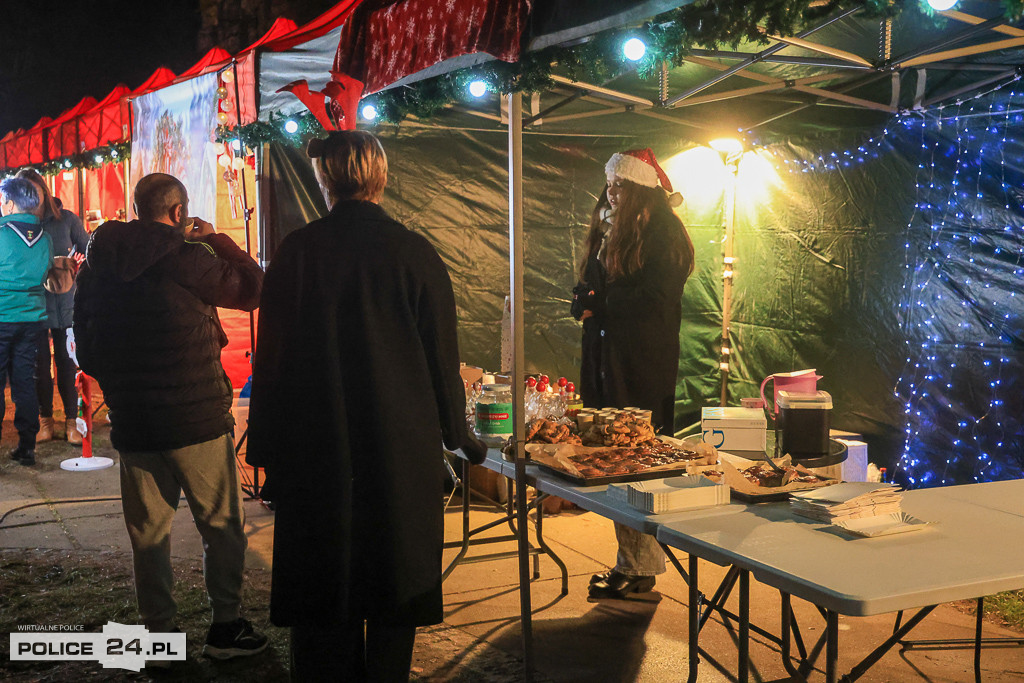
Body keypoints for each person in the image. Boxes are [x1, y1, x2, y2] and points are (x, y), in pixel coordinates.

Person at [246, 131, 487, 682]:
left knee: (322, 585)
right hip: (397, 445)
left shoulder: (299, 251)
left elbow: (273, 358)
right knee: (391, 583)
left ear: (324, 179)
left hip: (316, 443)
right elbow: (440, 358)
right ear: (379, 176)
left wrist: (265, 448)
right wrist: (458, 434)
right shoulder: (413, 252)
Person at [73, 173, 267, 662]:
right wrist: (217, 239)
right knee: (221, 525)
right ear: (179, 212)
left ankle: (158, 637)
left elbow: (87, 347)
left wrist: (123, 386)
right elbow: (253, 288)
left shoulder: (97, 265)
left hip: (134, 420)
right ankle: (226, 629)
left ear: (136, 208)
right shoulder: (186, 257)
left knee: (149, 535)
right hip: (195, 417)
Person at [571, 148, 695, 600]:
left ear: (641, 189)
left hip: (640, 363)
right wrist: (582, 297)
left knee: (634, 464)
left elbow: (656, 297)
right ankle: (635, 562)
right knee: (615, 463)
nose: (611, 192)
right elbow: (593, 284)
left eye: (620, 185)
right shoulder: (609, 226)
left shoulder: (665, 232)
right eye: (610, 184)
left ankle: (639, 566)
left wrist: (600, 303)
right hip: (606, 359)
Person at [16, 169, 90, 445]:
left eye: (35, 191)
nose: (32, 198)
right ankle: (45, 421)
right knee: (39, 365)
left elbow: (87, 249)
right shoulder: (19, 225)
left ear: (44, 191)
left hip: (66, 303)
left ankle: (72, 422)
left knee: (66, 362)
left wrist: (76, 266)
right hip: (34, 304)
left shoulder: (67, 220)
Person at [1, 177, 54, 466]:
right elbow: (46, 274)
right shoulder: (44, 237)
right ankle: (27, 446)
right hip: (33, 319)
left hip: (2, 316)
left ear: (10, 203)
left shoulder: (2, 233)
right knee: (24, 379)